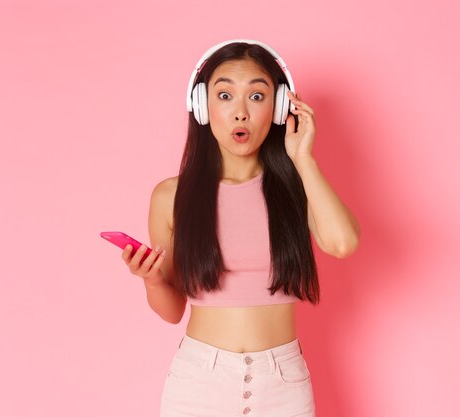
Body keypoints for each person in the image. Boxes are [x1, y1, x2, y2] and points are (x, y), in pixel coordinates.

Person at [121, 39, 360, 417]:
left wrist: (303, 159)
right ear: (202, 107)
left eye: (258, 97)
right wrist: (151, 280)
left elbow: (343, 243)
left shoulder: (298, 187)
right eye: (226, 95)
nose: (240, 113)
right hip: (198, 383)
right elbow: (171, 310)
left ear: (280, 108)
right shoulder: (172, 196)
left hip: (283, 385)